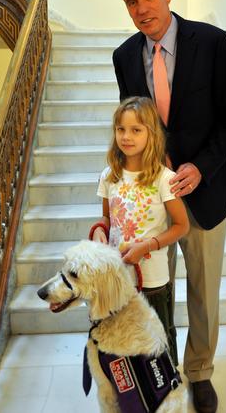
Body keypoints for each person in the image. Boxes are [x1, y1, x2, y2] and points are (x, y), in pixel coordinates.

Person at [112, 0, 226, 413]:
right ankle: (161, 366)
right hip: (154, 200)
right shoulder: (123, 56)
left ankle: (200, 372)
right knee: (155, 289)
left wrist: (200, 167)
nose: (142, 8)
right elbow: (135, 124)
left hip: (206, 192)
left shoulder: (213, 42)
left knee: (203, 291)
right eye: (131, 1)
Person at [90, 96, 189, 366]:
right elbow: (106, 219)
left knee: (157, 338)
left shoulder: (163, 178)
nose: (127, 136)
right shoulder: (108, 175)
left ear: (151, 134)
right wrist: (99, 230)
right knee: (123, 337)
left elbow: (182, 226)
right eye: (121, 129)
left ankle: (165, 388)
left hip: (153, 279)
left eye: (136, 130)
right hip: (118, 278)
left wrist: (147, 246)